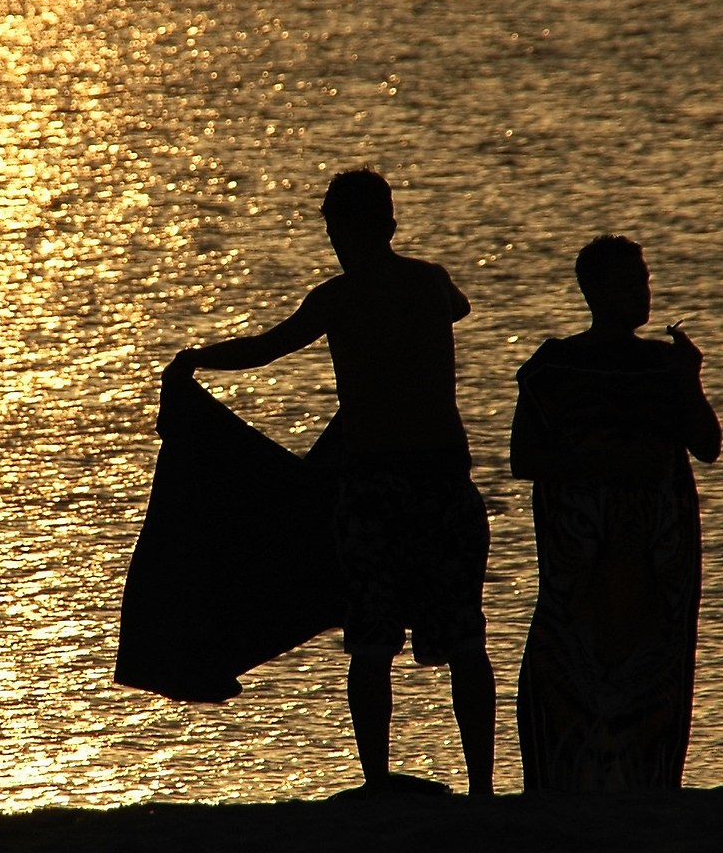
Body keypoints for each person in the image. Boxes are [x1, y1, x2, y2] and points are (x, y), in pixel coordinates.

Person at [169, 170, 494, 798]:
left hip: (377, 490)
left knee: (372, 640)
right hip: (444, 485)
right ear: (392, 226)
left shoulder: (338, 298)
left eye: (332, 229)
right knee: (463, 638)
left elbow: (268, 348)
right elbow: (461, 307)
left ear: (343, 230)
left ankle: (378, 779)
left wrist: (195, 360)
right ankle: (481, 787)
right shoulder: (429, 282)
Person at [509, 236, 720, 790]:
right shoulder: (554, 367)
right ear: (594, 292)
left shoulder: (663, 366)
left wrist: (688, 379)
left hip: (656, 554)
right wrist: (603, 459)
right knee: (567, 658)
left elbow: (707, 445)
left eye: (644, 281)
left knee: (654, 665)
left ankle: (648, 781)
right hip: (582, 555)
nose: (642, 293)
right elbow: (524, 457)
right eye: (628, 284)